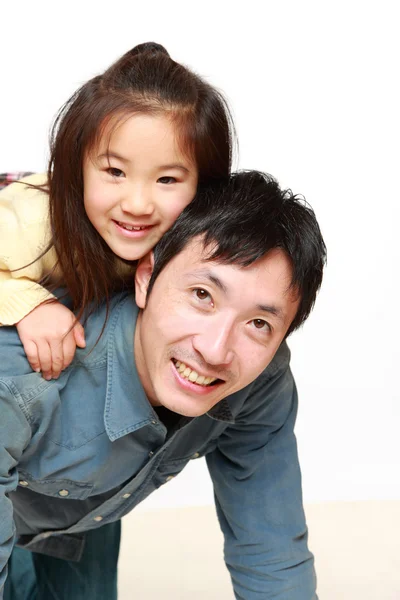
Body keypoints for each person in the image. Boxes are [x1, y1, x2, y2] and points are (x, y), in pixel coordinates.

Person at [0, 171, 326, 599]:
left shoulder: (259, 384)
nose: (215, 350)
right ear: (146, 276)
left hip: (82, 508)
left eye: (259, 323)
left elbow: (271, 546)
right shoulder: (19, 375)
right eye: (202, 295)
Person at [0, 41, 234, 380]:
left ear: (205, 184)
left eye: (167, 179)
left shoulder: (196, 236)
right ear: (77, 167)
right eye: (115, 172)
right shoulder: (33, 220)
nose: (137, 205)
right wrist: (32, 305)